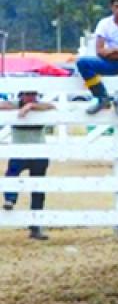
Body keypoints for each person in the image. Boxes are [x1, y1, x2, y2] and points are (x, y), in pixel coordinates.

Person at [0, 90, 56, 240]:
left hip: (39, 153)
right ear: (21, 96)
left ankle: (35, 226)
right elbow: (3, 105)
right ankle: (10, 199)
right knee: (11, 175)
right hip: (19, 151)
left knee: (38, 189)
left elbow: (52, 106)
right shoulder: (14, 105)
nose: (31, 97)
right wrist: (20, 108)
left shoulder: (40, 107)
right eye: (27, 94)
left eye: (33, 94)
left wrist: (31, 106)